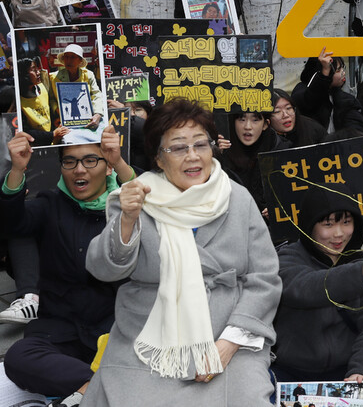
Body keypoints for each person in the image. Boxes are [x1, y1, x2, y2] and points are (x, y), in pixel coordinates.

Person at [82, 99, 281, 406]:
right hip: (148, 336)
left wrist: (228, 343)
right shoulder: (136, 197)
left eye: (200, 145)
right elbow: (104, 270)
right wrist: (127, 220)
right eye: (178, 147)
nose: (192, 156)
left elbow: (265, 278)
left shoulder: (237, 198)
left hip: (228, 334)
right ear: (159, 159)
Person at [1, 127, 134, 405]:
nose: (79, 170)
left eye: (90, 160)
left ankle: (89, 390)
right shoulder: (49, 204)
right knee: (18, 358)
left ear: (107, 165)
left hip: (116, 333)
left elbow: (158, 205)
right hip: (60, 333)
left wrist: (121, 163)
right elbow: (12, 223)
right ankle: (103, 388)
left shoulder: (126, 209)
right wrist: (16, 170)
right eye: (69, 161)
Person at [273, 191, 363, 382]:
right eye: (328, 224)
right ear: (309, 225)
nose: (338, 234)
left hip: (347, 371)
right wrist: (361, 274)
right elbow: (305, 288)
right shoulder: (286, 259)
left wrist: (362, 370)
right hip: (290, 371)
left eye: (346, 222)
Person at [217, 110, 290, 219]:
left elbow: (292, 196)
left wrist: (278, 209)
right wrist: (216, 158)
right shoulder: (220, 151)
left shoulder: (281, 151)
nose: (248, 126)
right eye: (242, 119)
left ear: (265, 124)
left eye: (255, 120)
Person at [291, 48, 363, 137]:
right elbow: (310, 100)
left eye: (343, 67)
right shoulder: (302, 91)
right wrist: (324, 75)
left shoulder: (346, 99)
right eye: (338, 70)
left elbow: (355, 129)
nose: (343, 72)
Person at [53, 44, 103, 133]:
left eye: (72, 57)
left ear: (80, 60)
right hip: (63, 121)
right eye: (66, 57)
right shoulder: (55, 77)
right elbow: (51, 98)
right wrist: (57, 110)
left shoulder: (88, 75)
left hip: (87, 119)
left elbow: (97, 94)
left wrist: (97, 114)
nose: (68, 60)